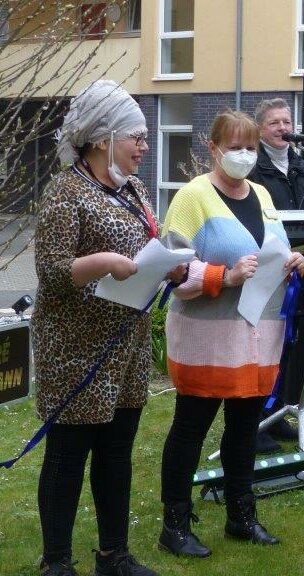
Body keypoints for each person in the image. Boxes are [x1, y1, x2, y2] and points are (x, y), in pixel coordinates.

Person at [33, 80, 175, 576]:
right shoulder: (65, 191)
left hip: (127, 347)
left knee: (116, 453)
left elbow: (148, 246)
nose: (144, 145)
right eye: (136, 135)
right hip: (73, 348)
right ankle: (56, 563)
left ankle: (114, 556)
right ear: (101, 138)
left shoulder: (134, 191)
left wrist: (169, 265)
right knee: (68, 457)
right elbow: (51, 270)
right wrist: (101, 261)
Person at [158, 110, 304, 559]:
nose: (244, 155)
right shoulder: (192, 197)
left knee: (244, 430)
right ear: (214, 148)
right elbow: (170, 271)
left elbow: (268, 248)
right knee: (191, 427)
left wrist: (291, 260)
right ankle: (176, 525)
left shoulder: (261, 193)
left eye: (251, 147)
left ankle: (242, 516)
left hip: (257, 335)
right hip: (206, 336)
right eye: (235, 146)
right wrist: (223, 276)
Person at [248, 98, 304, 452]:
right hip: (266, 272)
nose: (282, 128)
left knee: (292, 348)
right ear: (260, 129)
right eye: (274, 122)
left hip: (301, 269)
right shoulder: (253, 169)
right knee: (263, 347)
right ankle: (253, 423)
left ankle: (276, 415)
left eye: (286, 121)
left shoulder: (303, 168)